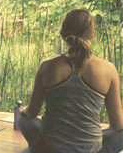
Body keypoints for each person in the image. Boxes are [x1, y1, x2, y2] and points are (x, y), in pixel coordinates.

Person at [19, 9, 123, 153]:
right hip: (91, 149)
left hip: (50, 147)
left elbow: (31, 112)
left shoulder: (47, 66)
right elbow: (118, 124)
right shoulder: (108, 69)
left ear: (63, 34)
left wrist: (23, 111)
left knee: (24, 119)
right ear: (92, 35)